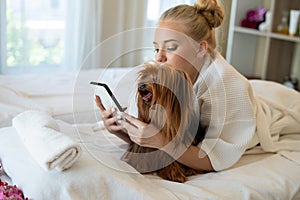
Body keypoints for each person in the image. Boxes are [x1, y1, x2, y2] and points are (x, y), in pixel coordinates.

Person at [95, 0, 300, 173]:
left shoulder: (227, 87)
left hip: (273, 107)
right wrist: (118, 129)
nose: (159, 57)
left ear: (200, 48)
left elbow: (214, 158)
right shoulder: (159, 72)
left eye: (171, 47)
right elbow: (147, 133)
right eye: (156, 48)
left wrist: (163, 142)